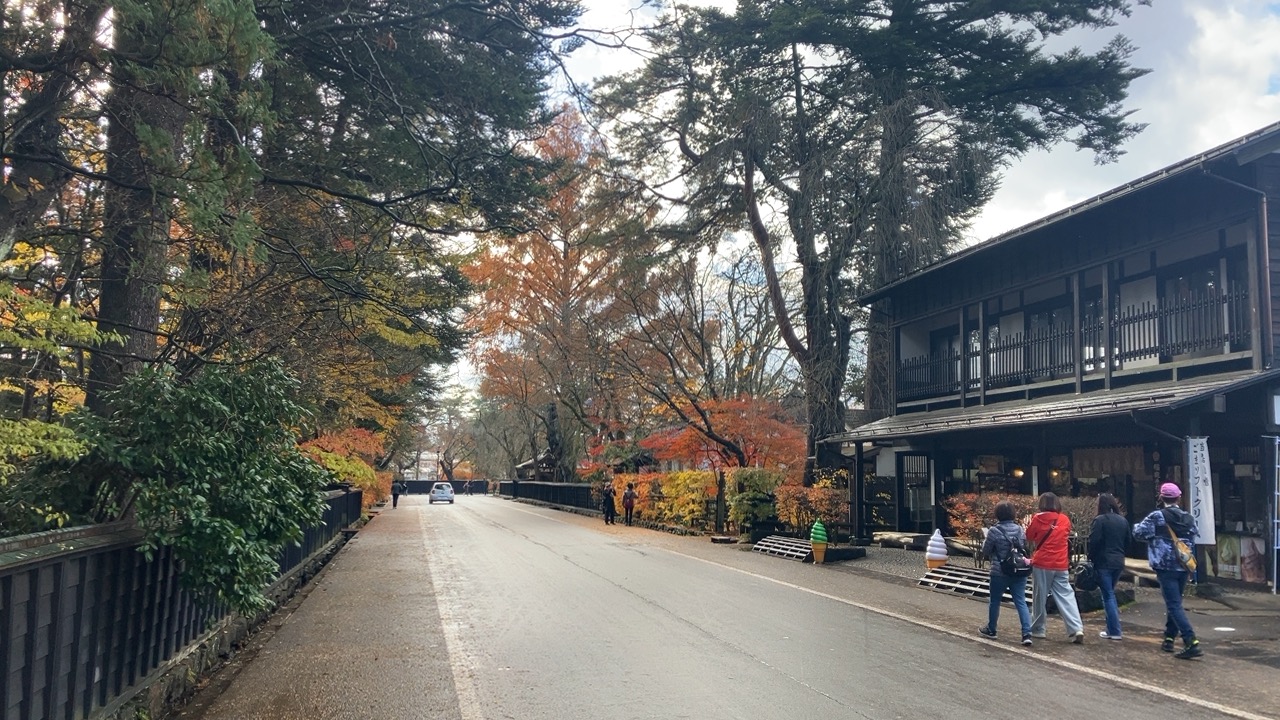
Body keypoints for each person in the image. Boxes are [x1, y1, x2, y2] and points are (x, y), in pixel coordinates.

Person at [1133, 482, 1202, 659]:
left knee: (1173, 604)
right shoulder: (1188, 517)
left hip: (1165, 565)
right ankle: (1169, 639)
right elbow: (1193, 536)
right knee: (1176, 601)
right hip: (1184, 565)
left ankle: (1190, 640)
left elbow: (1139, 533)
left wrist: (1135, 526)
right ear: (1179, 498)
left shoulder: (1157, 516)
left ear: (1161, 498)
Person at [1026, 491, 1085, 643]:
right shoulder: (1064, 519)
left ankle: (1038, 628)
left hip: (1042, 563)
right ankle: (1076, 628)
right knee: (1066, 596)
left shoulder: (1037, 519)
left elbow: (1029, 536)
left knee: (1040, 597)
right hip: (1061, 563)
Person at [979, 501, 1034, 646]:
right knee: (1020, 601)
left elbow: (986, 550)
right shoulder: (1019, 529)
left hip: (999, 571)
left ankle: (992, 629)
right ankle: (1026, 633)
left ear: (997, 514)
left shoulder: (994, 531)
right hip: (1018, 570)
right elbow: (1023, 546)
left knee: (995, 601)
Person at [1088, 492, 1130, 640]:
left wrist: (1090, 558)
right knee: (1110, 593)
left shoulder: (1099, 520)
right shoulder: (1122, 521)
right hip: (1119, 561)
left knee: (1108, 596)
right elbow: (1128, 541)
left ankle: (1114, 630)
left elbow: (1094, 542)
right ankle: (1112, 628)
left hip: (1103, 561)